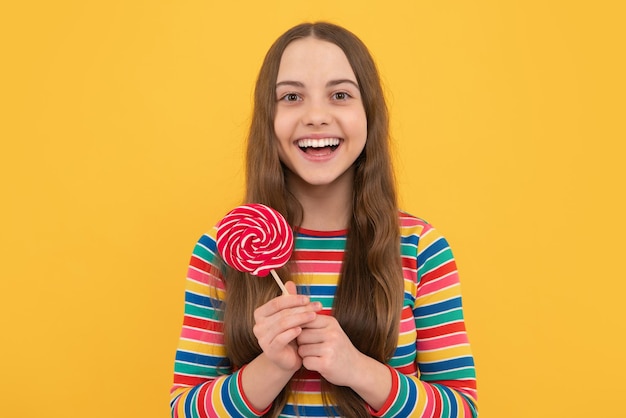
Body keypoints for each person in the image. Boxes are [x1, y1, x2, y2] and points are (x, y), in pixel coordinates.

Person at [170, 22, 478, 417]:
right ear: (268, 117)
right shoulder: (225, 247)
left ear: (369, 113)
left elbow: (463, 411)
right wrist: (272, 367)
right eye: (292, 96)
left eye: (340, 94)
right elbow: (183, 410)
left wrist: (357, 369)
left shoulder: (420, 248)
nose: (316, 116)